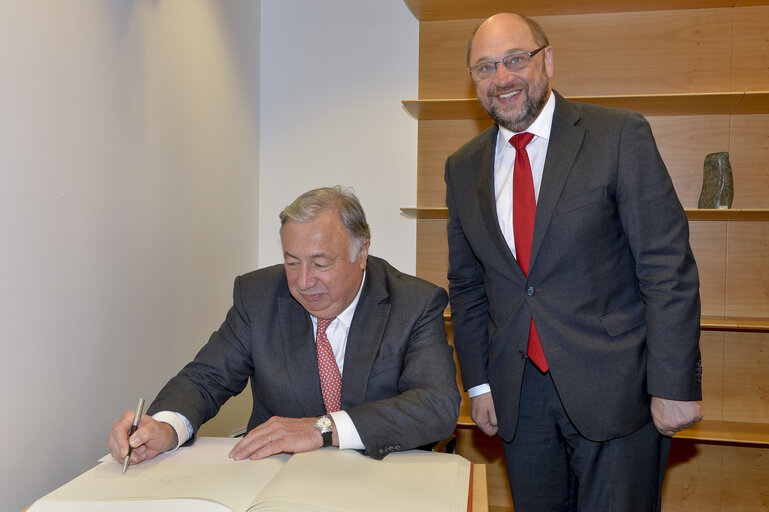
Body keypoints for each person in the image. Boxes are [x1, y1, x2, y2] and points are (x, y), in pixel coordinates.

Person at [444, 13, 703, 511]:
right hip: (519, 398)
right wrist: (478, 383)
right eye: (484, 67)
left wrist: (673, 385)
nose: (501, 78)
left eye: (515, 59)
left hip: (619, 391)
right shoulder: (462, 168)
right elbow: (468, 286)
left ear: (548, 60)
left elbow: (666, 267)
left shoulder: (617, 135)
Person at [109, 186, 460, 465]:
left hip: (380, 479)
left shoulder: (413, 304)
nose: (304, 282)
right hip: (277, 481)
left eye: (321, 263)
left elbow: (436, 406)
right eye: (292, 263)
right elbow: (205, 379)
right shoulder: (258, 296)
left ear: (362, 253)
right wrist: (166, 427)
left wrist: (323, 428)